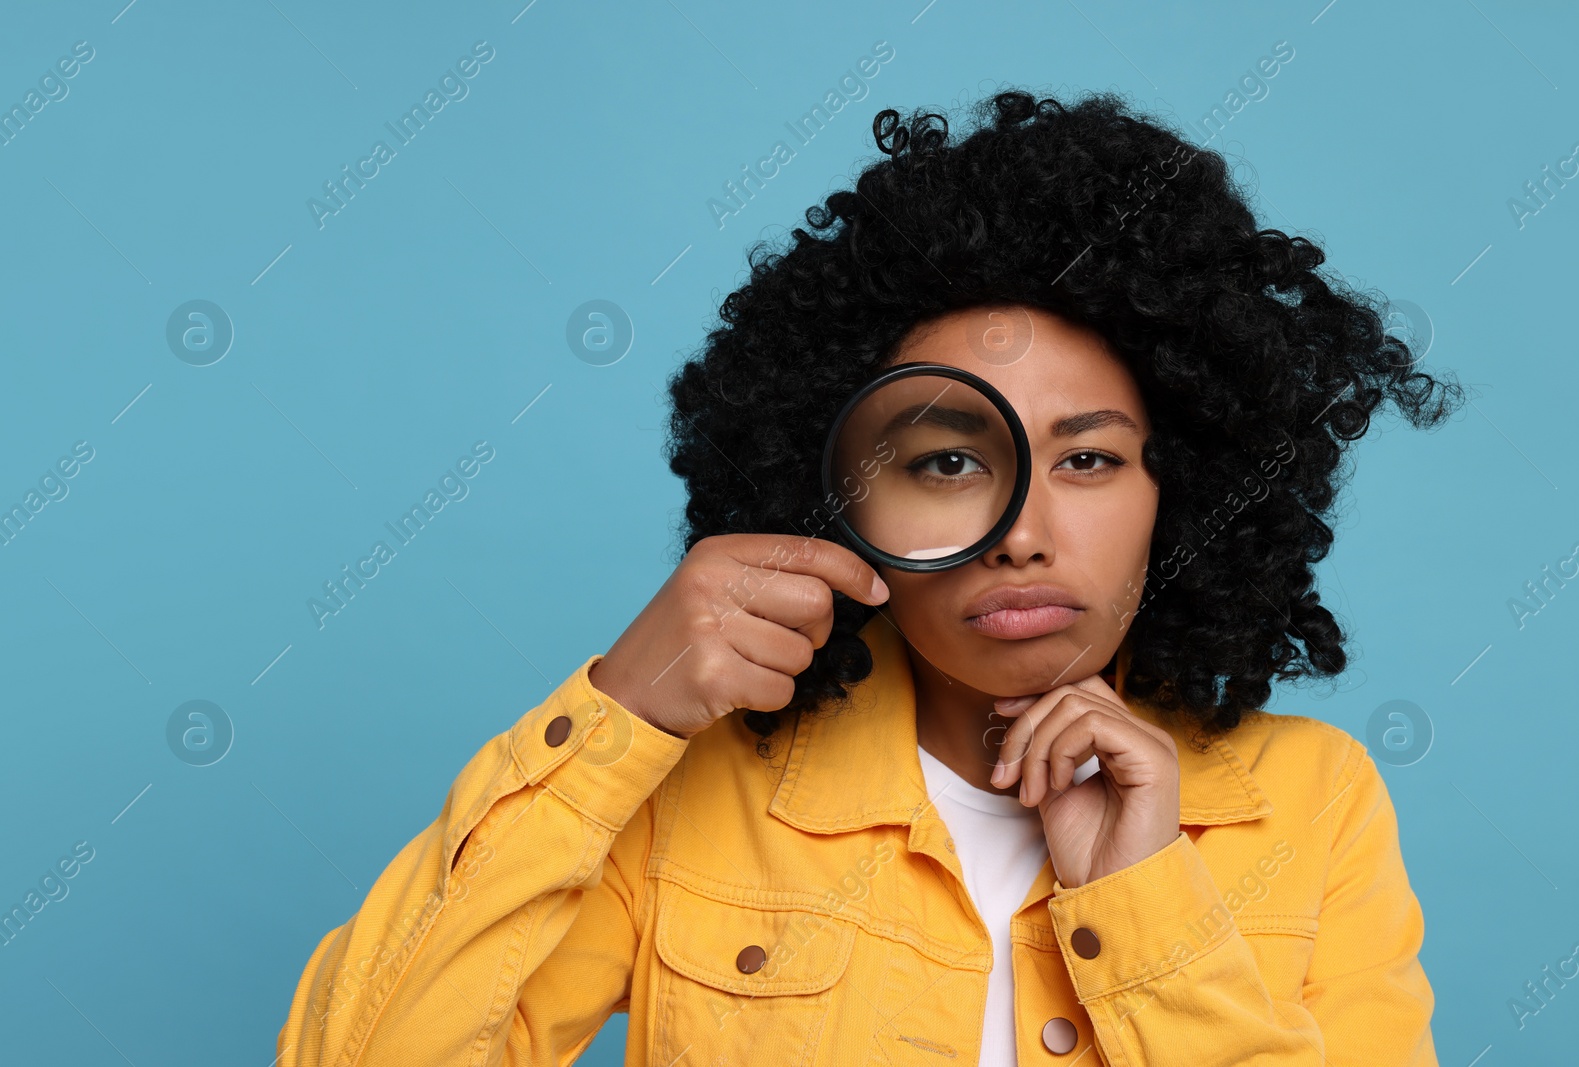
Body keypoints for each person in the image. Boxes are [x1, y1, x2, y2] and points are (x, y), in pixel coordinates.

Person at [276, 89, 1463, 1066]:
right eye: (949, 460)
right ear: (838, 492)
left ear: (1187, 485)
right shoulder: (695, 790)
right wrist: (616, 717)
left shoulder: (1311, 802)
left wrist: (1149, 896)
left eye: (1090, 458)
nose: (1023, 533)